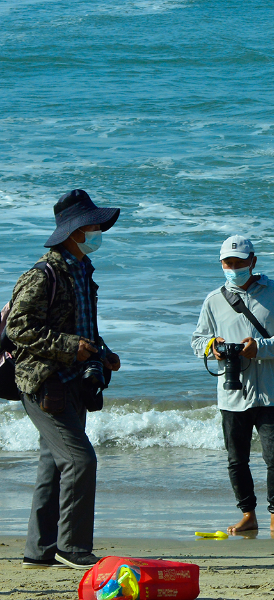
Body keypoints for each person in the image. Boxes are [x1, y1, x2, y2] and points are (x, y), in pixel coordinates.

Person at [8, 190, 123, 570]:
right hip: (42, 383)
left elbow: (82, 326)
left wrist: (101, 353)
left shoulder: (83, 270)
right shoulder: (43, 274)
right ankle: (72, 548)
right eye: (92, 225)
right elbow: (19, 328)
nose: (97, 231)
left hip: (74, 382)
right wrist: (71, 346)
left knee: (54, 465)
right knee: (80, 460)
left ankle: (38, 552)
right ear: (74, 230)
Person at [192, 235, 274, 536]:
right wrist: (211, 346)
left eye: (239, 263)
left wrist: (260, 348)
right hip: (232, 393)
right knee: (236, 459)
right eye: (228, 263)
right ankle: (248, 515)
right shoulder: (214, 300)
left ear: (252, 261)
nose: (233, 268)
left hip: (271, 391)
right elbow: (197, 339)